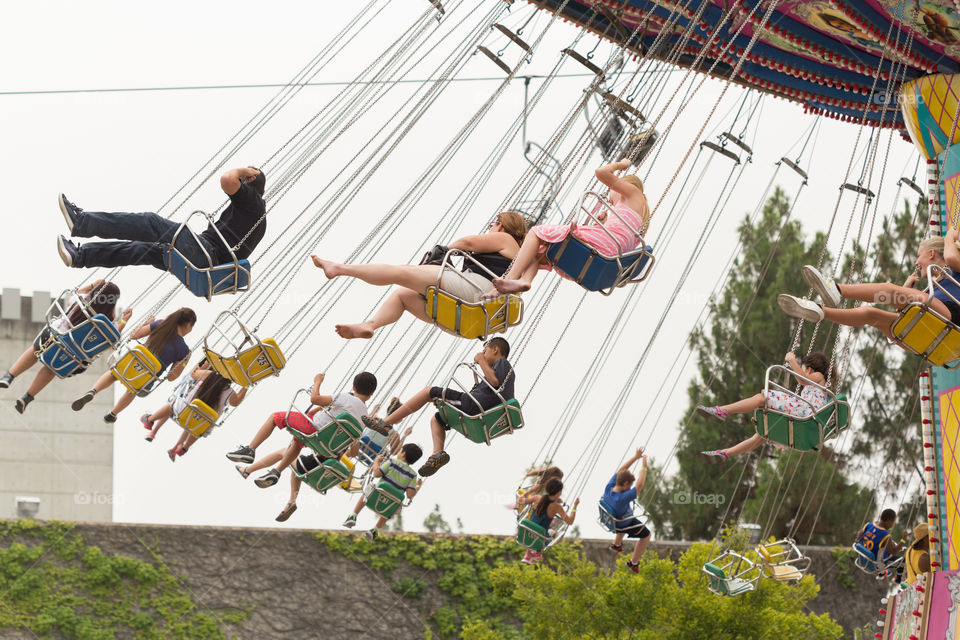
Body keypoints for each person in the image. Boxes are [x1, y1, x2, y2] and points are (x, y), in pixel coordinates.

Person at [310, 211, 527, 340]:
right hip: (474, 321)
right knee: (402, 295)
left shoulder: (506, 239)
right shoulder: (520, 260)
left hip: (476, 290)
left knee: (401, 271)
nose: (489, 229)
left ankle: (339, 268)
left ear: (500, 225)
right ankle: (371, 325)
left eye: (491, 225)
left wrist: (446, 249)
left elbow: (468, 243)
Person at [486, 159, 649, 298]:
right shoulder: (638, 220)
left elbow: (601, 172)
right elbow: (618, 235)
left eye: (611, 191)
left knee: (536, 232)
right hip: (606, 259)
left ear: (623, 187)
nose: (608, 197)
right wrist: (604, 219)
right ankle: (524, 281)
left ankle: (511, 278)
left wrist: (621, 164)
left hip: (600, 250)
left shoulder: (634, 194)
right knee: (537, 253)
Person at [55, 167, 266, 272]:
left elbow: (227, 180)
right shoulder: (255, 215)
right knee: (142, 249)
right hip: (204, 263)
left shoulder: (253, 202)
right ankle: (80, 257)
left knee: (151, 223)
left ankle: (82, 222)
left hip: (205, 256)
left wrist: (245, 171)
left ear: (249, 181)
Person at [362, 337, 515, 477]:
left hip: (473, 405)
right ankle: (437, 454)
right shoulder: (505, 378)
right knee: (437, 419)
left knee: (429, 391)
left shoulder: (503, 364)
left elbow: (494, 382)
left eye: (485, 350)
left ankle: (385, 422)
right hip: (480, 412)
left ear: (495, 349)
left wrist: (481, 360)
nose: (482, 353)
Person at [778, 231, 960, 342]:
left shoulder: (954, 271)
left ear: (931, 254)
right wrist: (906, 289)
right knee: (869, 314)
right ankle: (820, 311)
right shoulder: (933, 289)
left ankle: (838, 290)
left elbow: (951, 257)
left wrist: (950, 236)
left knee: (889, 290)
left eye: (919, 255)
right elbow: (905, 318)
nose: (916, 262)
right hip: (927, 331)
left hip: (951, 318)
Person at [226, 371, 377, 497]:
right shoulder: (364, 418)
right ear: (371, 393)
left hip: (314, 429)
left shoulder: (345, 397)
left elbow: (315, 399)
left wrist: (318, 381)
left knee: (275, 417)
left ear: (353, 386)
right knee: (298, 441)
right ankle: (276, 471)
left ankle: (250, 449)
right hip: (327, 446)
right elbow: (353, 447)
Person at [0, 280, 130, 413]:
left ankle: (9, 376)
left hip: (56, 336)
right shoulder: (108, 324)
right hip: (74, 356)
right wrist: (124, 320)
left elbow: (69, 296)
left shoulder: (81, 301)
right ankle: (27, 397)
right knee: (52, 367)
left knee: (36, 350)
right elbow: (114, 337)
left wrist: (92, 285)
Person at [698, 351, 830, 462]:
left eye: (802, 368)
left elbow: (802, 379)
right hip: (802, 415)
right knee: (762, 434)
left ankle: (722, 410)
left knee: (761, 398)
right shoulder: (817, 384)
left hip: (804, 413)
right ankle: (726, 453)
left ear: (810, 369)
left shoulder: (819, 377)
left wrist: (791, 360)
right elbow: (804, 379)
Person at [71, 308, 196, 423]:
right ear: (189, 324)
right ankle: (113, 413)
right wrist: (185, 361)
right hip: (145, 378)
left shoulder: (160, 324)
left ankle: (93, 391)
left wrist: (147, 324)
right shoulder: (184, 350)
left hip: (131, 363)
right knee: (132, 390)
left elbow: (134, 335)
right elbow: (171, 377)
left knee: (114, 373)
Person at [270, 424, 413, 524]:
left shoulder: (375, 420)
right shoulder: (394, 434)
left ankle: (257, 472)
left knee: (292, 460)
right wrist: (404, 435)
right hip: (368, 458)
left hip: (352, 449)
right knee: (298, 467)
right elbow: (395, 451)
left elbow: (360, 427)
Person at [342, 443, 423, 540]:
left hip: (375, 496)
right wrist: (417, 486)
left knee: (368, 489)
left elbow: (376, 474)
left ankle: (353, 515)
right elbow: (410, 495)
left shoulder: (392, 462)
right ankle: (375, 529)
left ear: (403, 453)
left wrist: (376, 461)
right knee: (394, 505)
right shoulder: (413, 475)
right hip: (388, 506)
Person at [162, 369, 246, 461]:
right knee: (198, 426)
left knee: (190, 415)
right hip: (201, 422)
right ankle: (184, 447)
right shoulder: (229, 392)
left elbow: (193, 374)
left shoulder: (208, 375)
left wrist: (204, 367)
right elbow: (236, 402)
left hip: (188, 412)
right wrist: (245, 387)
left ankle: (152, 422)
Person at [602, 448, 651, 573]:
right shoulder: (622, 498)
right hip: (622, 524)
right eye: (629, 485)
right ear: (625, 483)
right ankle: (633, 562)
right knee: (646, 535)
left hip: (612, 520)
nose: (630, 488)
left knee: (623, 513)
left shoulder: (609, 488)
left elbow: (621, 470)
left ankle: (617, 544)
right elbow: (639, 486)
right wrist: (644, 466)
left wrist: (635, 457)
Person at [141, 359, 210, 442]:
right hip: (201, 395)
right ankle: (180, 446)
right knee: (191, 417)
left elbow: (197, 371)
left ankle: (153, 429)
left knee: (172, 405)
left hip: (193, 384)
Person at [521, 477, 579, 564]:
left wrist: (531, 490)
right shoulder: (556, 507)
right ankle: (537, 553)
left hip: (525, 535)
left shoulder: (537, 498)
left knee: (533, 526)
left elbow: (520, 500)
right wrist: (575, 506)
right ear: (559, 492)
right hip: (539, 540)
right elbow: (570, 521)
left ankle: (529, 554)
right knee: (551, 531)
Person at [855, 508, 904, 577]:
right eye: (893, 522)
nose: (892, 525)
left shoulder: (868, 525)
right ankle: (884, 573)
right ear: (889, 521)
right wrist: (903, 540)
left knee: (882, 546)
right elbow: (894, 551)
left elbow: (858, 537)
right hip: (875, 563)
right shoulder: (886, 535)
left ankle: (885, 573)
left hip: (862, 558)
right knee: (903, 562)